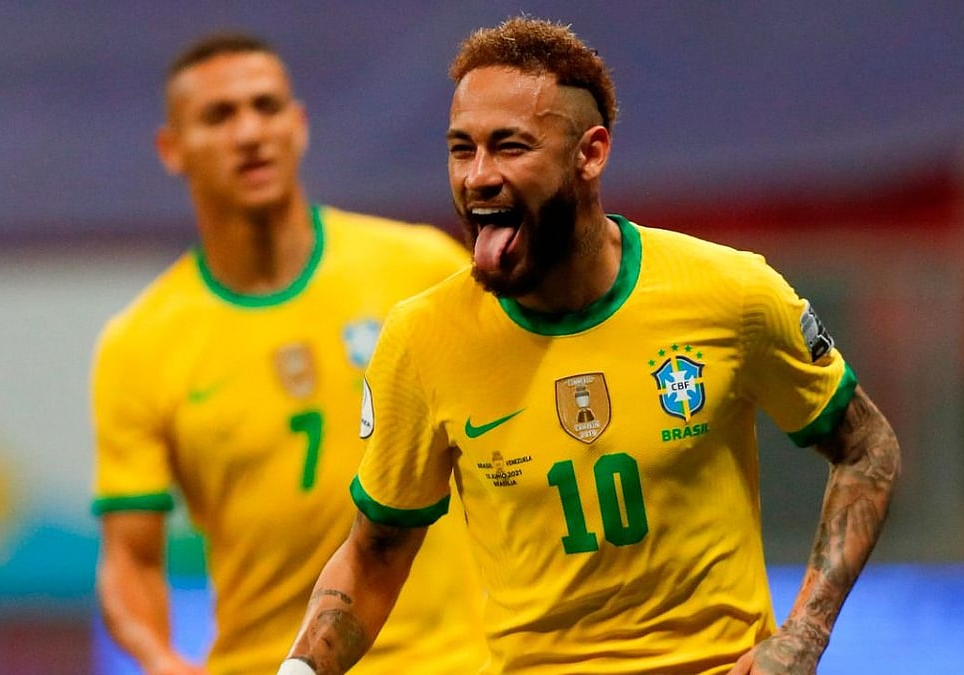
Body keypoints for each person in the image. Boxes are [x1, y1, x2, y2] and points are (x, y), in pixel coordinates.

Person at [281, 16, 901, 675]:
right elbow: (375, 552)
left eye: (510, 147)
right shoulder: (422, 338)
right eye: (462, 150)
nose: (477, 176)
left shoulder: (732, 293)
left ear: (590, 152)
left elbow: (868, 448)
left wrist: (804, 634)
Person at [89, 32, 486, 675]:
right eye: (219, 117)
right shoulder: (139, 343)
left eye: (266, 108)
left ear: (298, 126)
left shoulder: (421, 268)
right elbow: (130, 558)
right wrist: (161, 660)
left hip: (450, 660)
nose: (250, 133)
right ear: (172, 150)